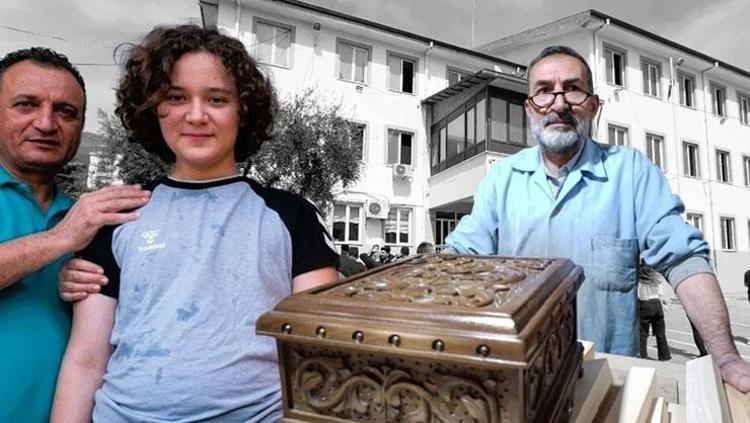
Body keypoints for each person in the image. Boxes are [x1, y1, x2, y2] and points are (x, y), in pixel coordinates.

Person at [51, 25, 338, 422]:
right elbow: (86, 359)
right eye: (176, 97)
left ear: (243, 111)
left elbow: (317, 353)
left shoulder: (294, 215)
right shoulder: (116, 215)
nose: (197, 115)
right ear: (153, 107)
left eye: (217, 99)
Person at [446, 45, 750, 392]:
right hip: (518, 382)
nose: (559, 104)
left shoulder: (630, 172)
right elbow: (457, 263)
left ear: (593, 105)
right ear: (529, 108)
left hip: (608, 383)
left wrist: (726, 357)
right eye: (544, 91)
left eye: (572, 89)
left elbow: (684, 260)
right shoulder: (502, 179)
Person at [0, 48, 149, 422]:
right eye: (26, 105)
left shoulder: (92, 220)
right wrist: (58, 241)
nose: (46, 123)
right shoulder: (77, 226)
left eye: (66, 112)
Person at [638, 262, 671, 361]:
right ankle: (664, 356)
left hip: (645, 304)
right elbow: (661, 294)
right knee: (661, 333)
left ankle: (642, 355)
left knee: (643, 333)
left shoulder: (639, 281)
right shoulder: (655, 280)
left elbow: (638, 295)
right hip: (657, 304)